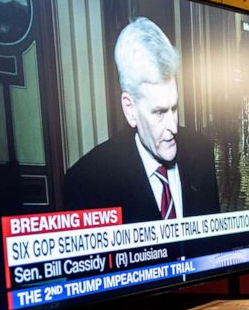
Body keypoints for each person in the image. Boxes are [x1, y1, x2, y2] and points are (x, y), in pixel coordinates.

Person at [64, 17, 220, 223]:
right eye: (158, 113)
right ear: (130, 109)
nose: (173, 127)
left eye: (174, 108)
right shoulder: (88, 181)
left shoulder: (201, 152)